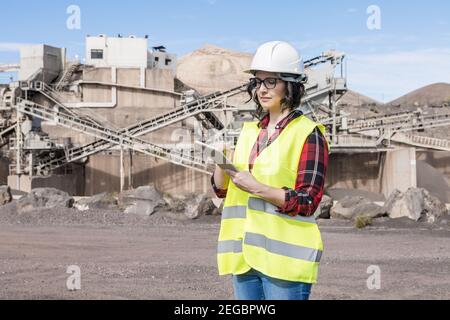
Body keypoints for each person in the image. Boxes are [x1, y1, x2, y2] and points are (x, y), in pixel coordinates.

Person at [211, 41, 330, 300]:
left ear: (292, 84)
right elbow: (223, 192)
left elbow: (308, 200)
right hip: (244, 256)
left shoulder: (308, 133)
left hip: (284, 263)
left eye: (271, 81)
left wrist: (257, 187)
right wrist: (220, 161)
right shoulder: (249, 132)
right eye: (257, 82)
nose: (261, 89)